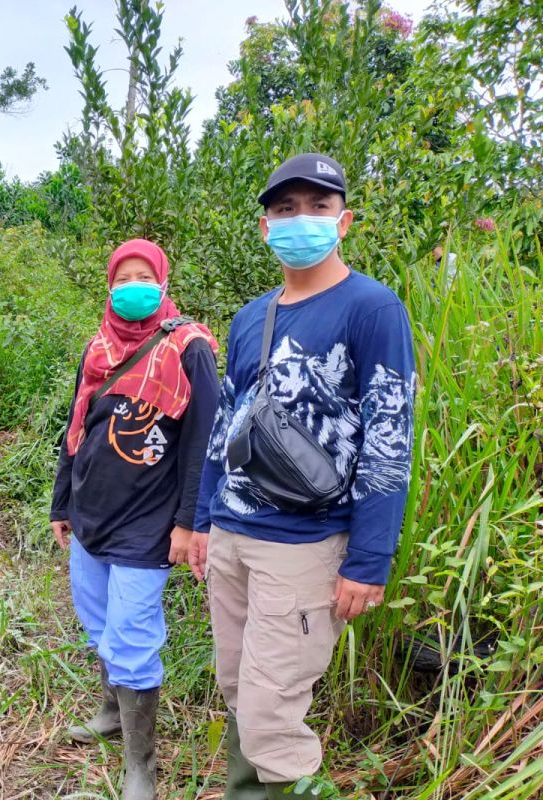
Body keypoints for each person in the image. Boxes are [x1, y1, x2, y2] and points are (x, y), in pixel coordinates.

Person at [190, 154, 416, 799]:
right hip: (233, 534)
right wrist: (204, 519)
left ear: (343, 222)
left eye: (318, 208)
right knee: (238, 685)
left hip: (305, 545)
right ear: (265, 227)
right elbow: (226, 425)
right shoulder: (251, 316)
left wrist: (369, 559)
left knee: (272, 707)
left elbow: (388, 436)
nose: (302, 221)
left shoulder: (372, 308)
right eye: (286, 209)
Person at [50, 240, 219, 800]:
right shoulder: (98, 348)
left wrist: (189, 523)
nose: (132, 286)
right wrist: (61, 504)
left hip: (147, 525)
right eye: (123, 278)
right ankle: (109, 713)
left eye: (144, 276)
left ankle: (139, 767)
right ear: (109, 286)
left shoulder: (188, 348)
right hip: (91, 515)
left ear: (164, 282)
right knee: (99, 623)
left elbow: (203, 444)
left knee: (133, 636)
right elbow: (76, 429)